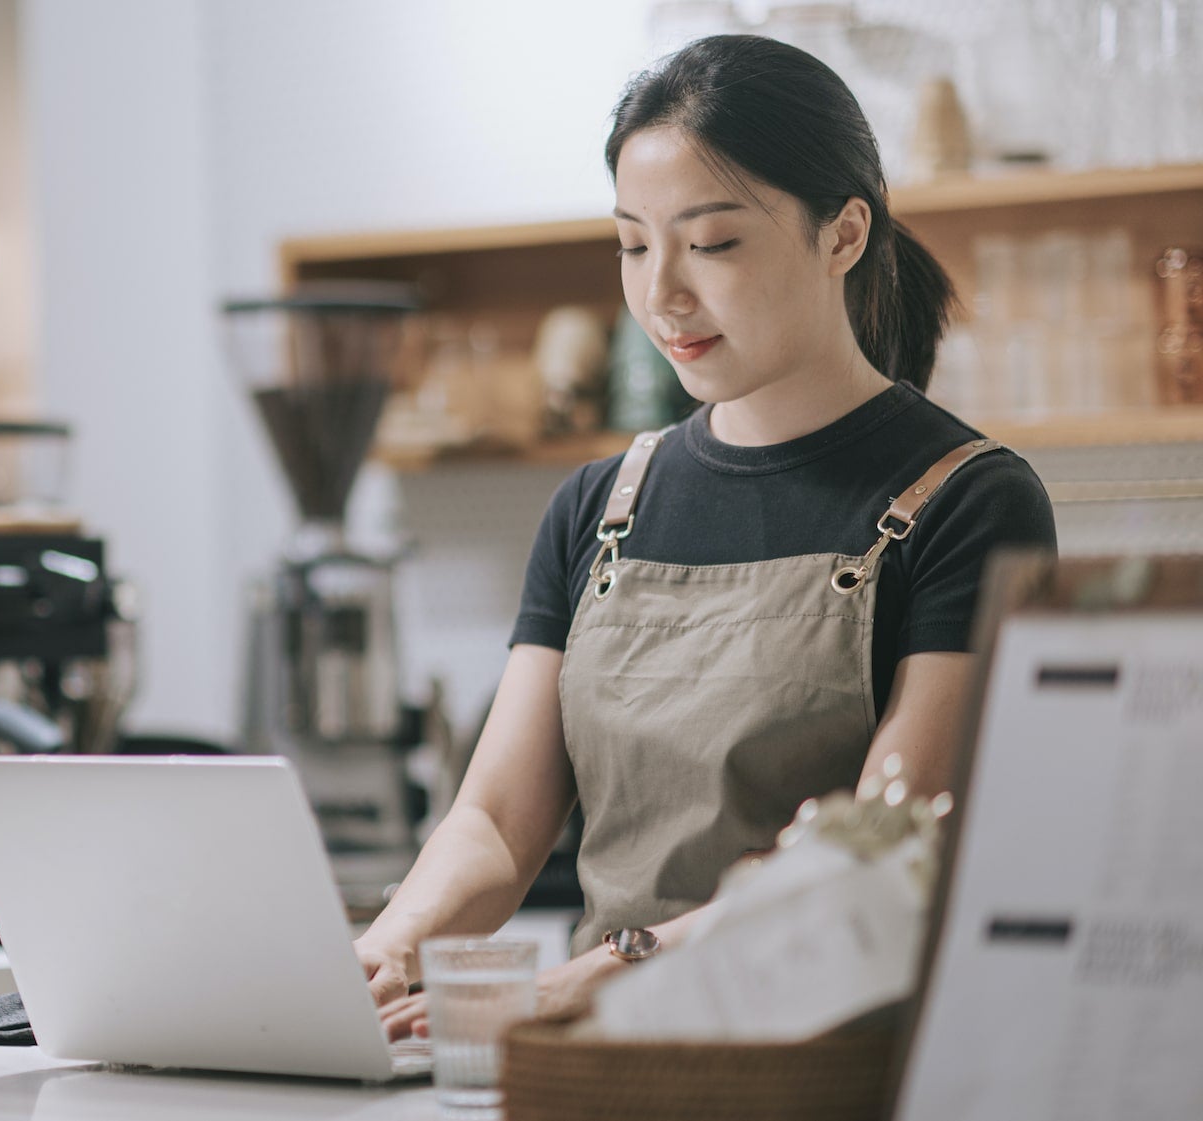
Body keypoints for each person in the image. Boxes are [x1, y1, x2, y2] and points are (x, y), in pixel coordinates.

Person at [354, 34, 1057, 1040]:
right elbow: (494, 824)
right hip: (599, 1067)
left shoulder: (969, 501)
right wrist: (381, 950)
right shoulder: (597, 507)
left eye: (712, 243)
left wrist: (598, 972)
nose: (661, 294)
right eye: (633, 244)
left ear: (842, 233)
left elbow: (885, 855)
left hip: (831, 1068)